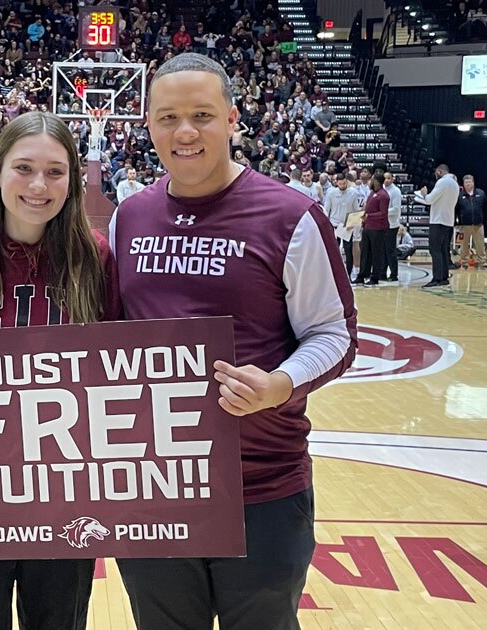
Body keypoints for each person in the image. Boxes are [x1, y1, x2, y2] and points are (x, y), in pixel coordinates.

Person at [109, 52, 358, 630]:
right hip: (154, 486)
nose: (186, 131)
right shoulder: (129, 216)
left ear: (233, 119)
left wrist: (280, 384)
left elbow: (334, 334)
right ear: (147, 125)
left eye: (202, 114)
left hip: (262, 485)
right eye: (167, 117)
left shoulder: (291, 216)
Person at [0, 111, 121, 630]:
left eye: (56, 172)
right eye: (25, 168)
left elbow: (121, 370)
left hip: (66, 495)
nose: (39, 185)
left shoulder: (94, 259)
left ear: (74, 181)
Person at [414, 164, 460, 288]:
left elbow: (429, 199)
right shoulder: (455, 184)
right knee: (444, 250)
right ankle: (444, 277)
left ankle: (437, 278)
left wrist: (423, 194)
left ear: (439, 171)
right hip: (448, 221)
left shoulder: (442, 182)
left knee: (435, 250)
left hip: (438, 220)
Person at [356, 172, 390, 286]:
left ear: (376, 181)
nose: (370, 182)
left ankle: (375, 276)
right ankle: (362, 275)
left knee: (376, 253)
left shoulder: (383, 195)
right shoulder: (372, 193)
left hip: (378, 228)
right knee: (365, 252)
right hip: (368, 227)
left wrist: (369, 216)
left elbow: (383, 213)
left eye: (372, 180)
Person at [456, 175, 487, 267]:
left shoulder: (481, 193)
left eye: (469, 182)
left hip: (478, 224)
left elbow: (486, 208)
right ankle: (464, 260)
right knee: (464, 244)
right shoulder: (460, 195)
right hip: (464, 224)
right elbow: (456, 210)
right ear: (463, 184)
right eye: (466, 182)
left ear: (473, 183)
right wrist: (457, 222)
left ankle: (482, 260)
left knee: (480, 244)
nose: (468, 184)